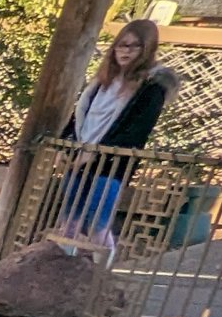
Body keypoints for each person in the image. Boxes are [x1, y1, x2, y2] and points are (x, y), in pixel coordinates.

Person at [54, 18, 175, 246]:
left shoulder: (151, 87)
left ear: (147, 48)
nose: (125, 51)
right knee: (70, 221)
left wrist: (99, 154)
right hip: (78, 155)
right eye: (121, 44)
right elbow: (80, 116)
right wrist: (65, 145)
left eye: (133, 46)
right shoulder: (101, 82)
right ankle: (63, 268)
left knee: (98, 226)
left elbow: (136, 131)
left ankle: (103, 273)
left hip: (110, 165)